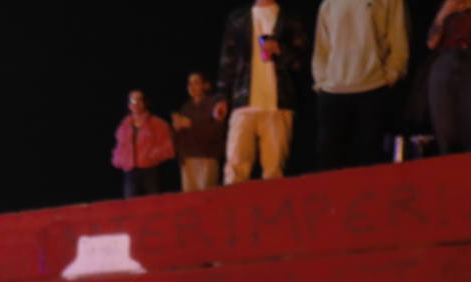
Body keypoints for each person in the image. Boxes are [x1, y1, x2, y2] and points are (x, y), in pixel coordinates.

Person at [217, 1, 310, 183]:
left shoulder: (290, 17)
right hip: (244, 102)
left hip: (279, 104)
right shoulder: (238, 19)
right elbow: (228, 60)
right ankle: (234, 209)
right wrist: (222, 96)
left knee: (274, 172)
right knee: (235, 169)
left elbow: (303, 59)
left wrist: (280, 50)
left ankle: (272, 209)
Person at [313, 0, 409, 170]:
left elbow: (398, 38)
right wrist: (322, 80)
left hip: (372, 89)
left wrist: (392, 74)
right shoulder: (329, 4)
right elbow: (322, 47)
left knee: (370, 164)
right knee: (329, 165)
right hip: (333, 92)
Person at [112, 90, 175, 198]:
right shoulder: (124, 125)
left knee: (154, 203)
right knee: (130, 206)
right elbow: (119, 148)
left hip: (150, 169)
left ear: (145, 102)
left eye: (139, 99)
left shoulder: (157, 123)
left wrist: (152, 156)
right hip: (130, 171)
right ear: (129, 105)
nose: (136, 103)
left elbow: (168, 147)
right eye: (133, 100)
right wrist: (120, 161)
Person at [428, 0, 471, 155]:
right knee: (446, 134)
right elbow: (431, 43)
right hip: (446, 60)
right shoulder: (448, 6)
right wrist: (444, 13)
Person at [172, 73, 227, 191]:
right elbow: (179, 138)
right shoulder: (185, 108)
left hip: (207, 158)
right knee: (189, 201)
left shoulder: (213, 105)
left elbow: (217, 131)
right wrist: (176, 129)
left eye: (196, 82)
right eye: (189, 83)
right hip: (188, 160)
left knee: (206, 199)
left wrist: (191, 125)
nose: (192, 86)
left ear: (205, 85)